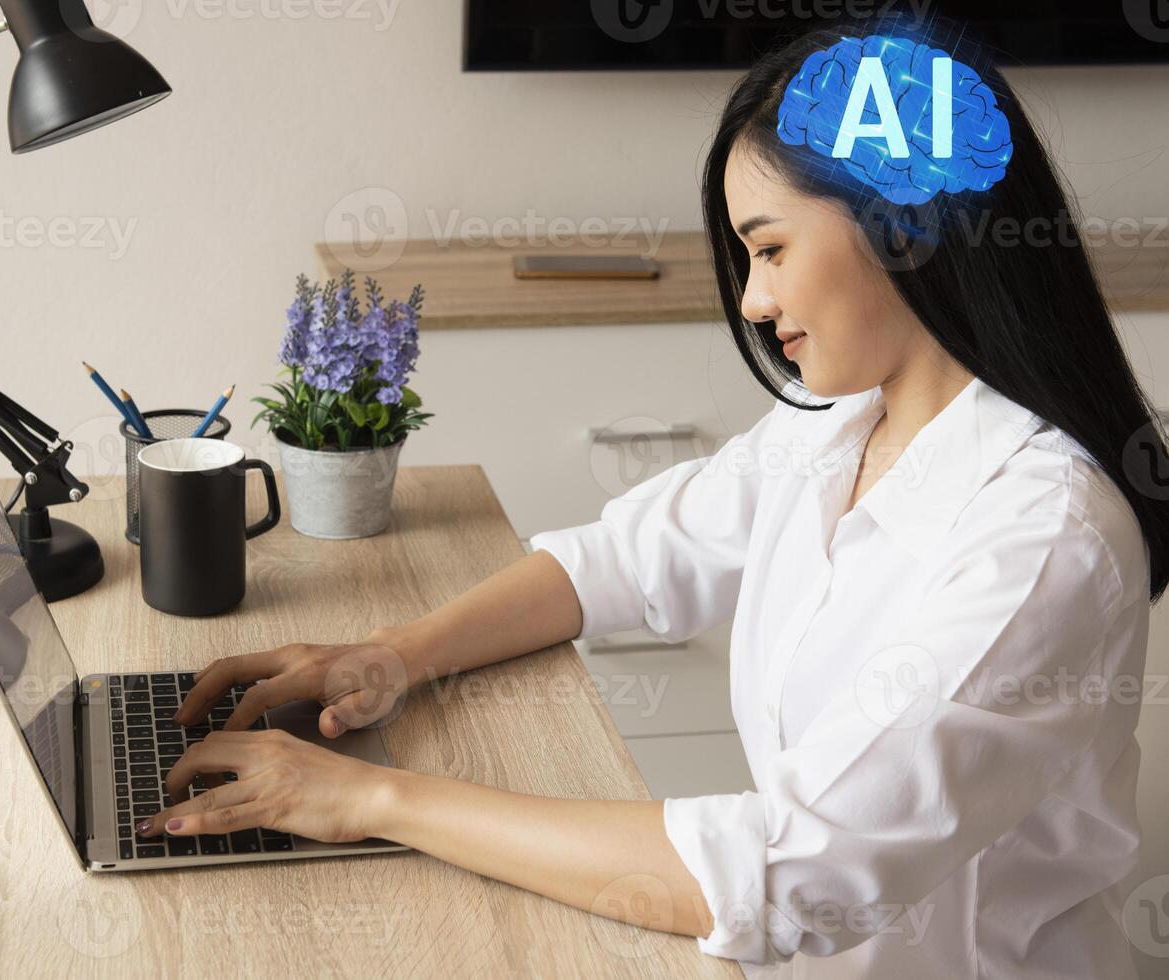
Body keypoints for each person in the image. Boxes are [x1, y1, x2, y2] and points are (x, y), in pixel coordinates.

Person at [137, 15, 1167, 977]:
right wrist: (391, 654)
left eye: (767, 248)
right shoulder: (846, 422)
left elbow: (786, 870)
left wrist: (371, 794)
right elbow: (623, 560)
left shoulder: (1039, 537)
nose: (755, 301)